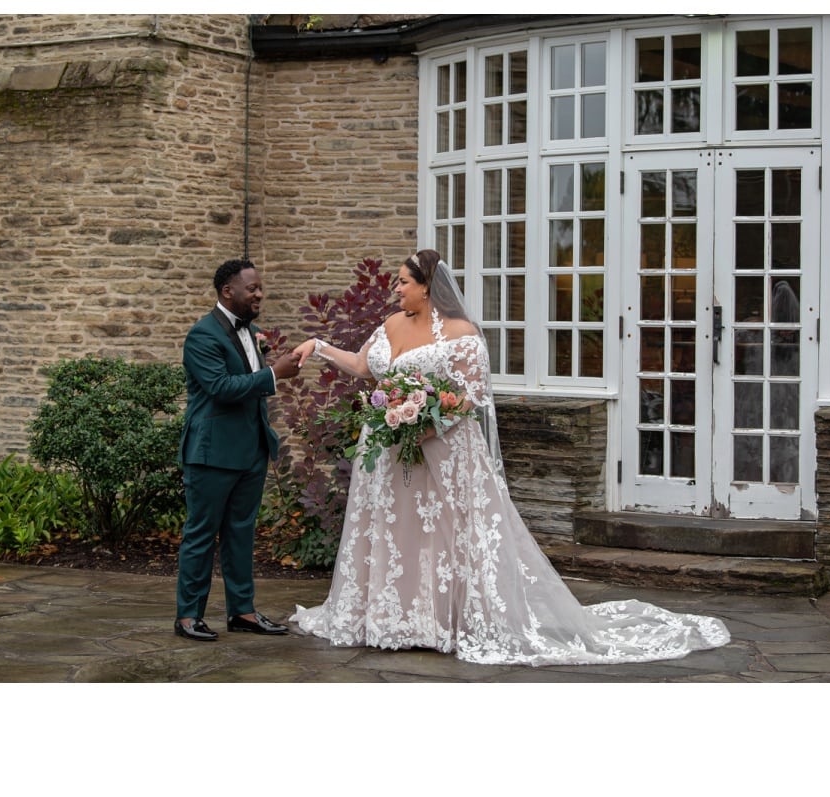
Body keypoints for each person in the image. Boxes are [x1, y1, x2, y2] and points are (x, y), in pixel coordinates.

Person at [286, 250, 730, 665]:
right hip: (388, 453)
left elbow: (473, 397)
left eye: (403, 283)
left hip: (441, 451)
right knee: (394, 532)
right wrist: (318, 346)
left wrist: (424, 417)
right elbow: (364, 368)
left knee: (445, 536)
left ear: (427, 286)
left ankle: (443, 622)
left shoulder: (462, 334)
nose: (395, 290)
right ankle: (394, 620)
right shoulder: (389, 325)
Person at [176, 258, 305, 641]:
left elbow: (249, 386)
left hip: (251, 449)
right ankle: (188, 616)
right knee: (201, 534)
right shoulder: (202, 336)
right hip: (212, 452)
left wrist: (270, 373)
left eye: (260, 287)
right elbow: (221, 388)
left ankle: (242, 612)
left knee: (241, 533)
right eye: (252, 288)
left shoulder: (254, 332)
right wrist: (273, 374)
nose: (260, 293)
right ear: (227, 291)